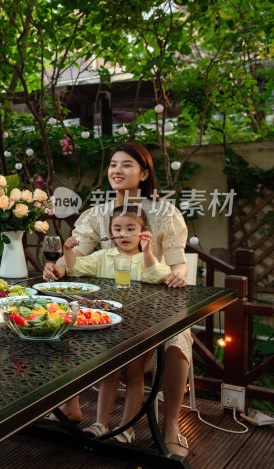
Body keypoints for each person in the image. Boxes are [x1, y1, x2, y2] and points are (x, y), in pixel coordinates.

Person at [50, 142, 191, 456]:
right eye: (113, 164)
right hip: (105, 302)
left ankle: (170, 425)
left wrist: (178, 273)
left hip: (156, 302)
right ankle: (70, 406)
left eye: (127, 165)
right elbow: (78, 253)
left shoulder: (165, 211)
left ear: (143, 173)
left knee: (178, 338)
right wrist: (57, 269)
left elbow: (177, 260)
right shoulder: (97, 213)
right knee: (61, 317)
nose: (117, 170)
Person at [44, 206, 170, 442]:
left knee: (134, 374)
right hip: (110, 328)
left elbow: (158, 275)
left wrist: (148, 250)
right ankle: (101, 424)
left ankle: (127, 428)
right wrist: (69, 251)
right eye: (118, 229)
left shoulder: (146, 260)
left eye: (130, 229)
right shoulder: (104, 256)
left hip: (139, 326)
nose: (123, 234)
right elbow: (76, 268)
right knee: (108, 373)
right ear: (111, 232)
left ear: (144, 232)